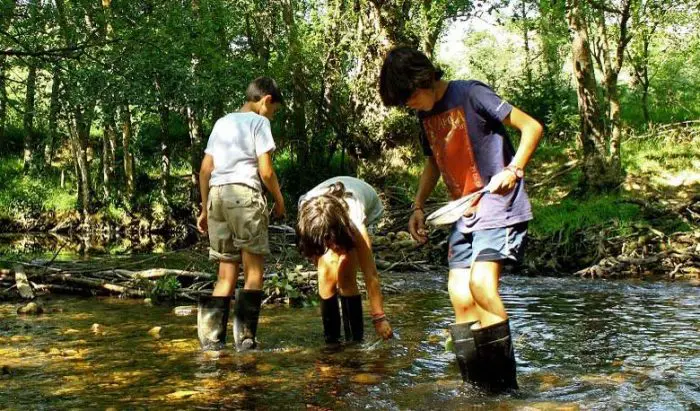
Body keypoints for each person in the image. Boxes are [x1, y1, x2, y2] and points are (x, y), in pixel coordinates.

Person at [379, 46, 543, 391]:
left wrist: (514, 168)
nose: (408, 105)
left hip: (498, 205)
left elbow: (531, 127)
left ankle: (503, 391)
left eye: (408, 97)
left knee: (481, 286)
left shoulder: (471, 93)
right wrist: (418, 206)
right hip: (464, 214)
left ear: (424, 79)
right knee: (459, 294)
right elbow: (434, 162)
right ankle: (476, 388)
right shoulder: (425, 117)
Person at [196, 76, 286, 352]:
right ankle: (245, 341)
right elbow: (266, 171)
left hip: (217, 197)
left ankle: (211, 343)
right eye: (274, 110)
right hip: (244, 195)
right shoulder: (260, 122)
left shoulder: (222, 122)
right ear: (266, 100)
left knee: (225, 275)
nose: (273, 115)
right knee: (253, 272)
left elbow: (205, 170)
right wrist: (280, 201)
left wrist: (203, 207)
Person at [296, 176, 394, 344]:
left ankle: (355, 341)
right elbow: (314, 250)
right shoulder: (308, 217)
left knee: (347, 277)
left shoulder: (354, 223)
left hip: (364, 202)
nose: (329, 247)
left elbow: (370, 274)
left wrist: (379, 317)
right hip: (324, 216)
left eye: (331, 242)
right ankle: (332, 341)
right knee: (326, 274)